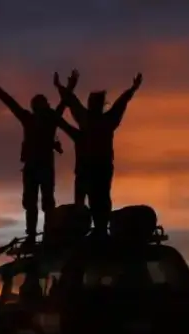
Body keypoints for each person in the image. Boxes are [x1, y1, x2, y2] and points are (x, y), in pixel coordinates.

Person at [0, 69, 79, 237]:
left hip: (42, 168)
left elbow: (64, 102)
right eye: (43, 103)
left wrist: (70, 86)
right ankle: (32, 235)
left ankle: (46, 234)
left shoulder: (49, 118)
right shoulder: (30, 118)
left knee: (46, 203)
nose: (47, 105)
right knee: (32, 204)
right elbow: (10, 102)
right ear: (37, 106)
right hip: (33, 168)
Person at [54, 72, 143, 234]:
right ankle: (94, 229)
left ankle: (99, 229)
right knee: (92, 200)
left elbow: (119, 103)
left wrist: (132, 89)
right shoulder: (99, 120)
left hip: (97, 168)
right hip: (90, 168)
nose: (90, 104)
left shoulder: (100, 120)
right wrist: (62, 87)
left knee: (98, 200)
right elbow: (72, 102)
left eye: (92, 102)